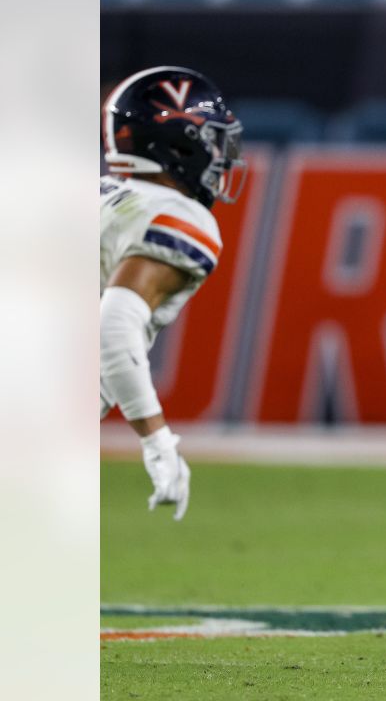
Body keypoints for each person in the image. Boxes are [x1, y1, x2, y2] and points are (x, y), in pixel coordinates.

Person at [100, 66, 245, 521]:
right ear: (181, 143)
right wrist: (156, 438)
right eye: (212, 142)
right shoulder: (178, 214)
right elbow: (115, 321)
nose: (221, 158)